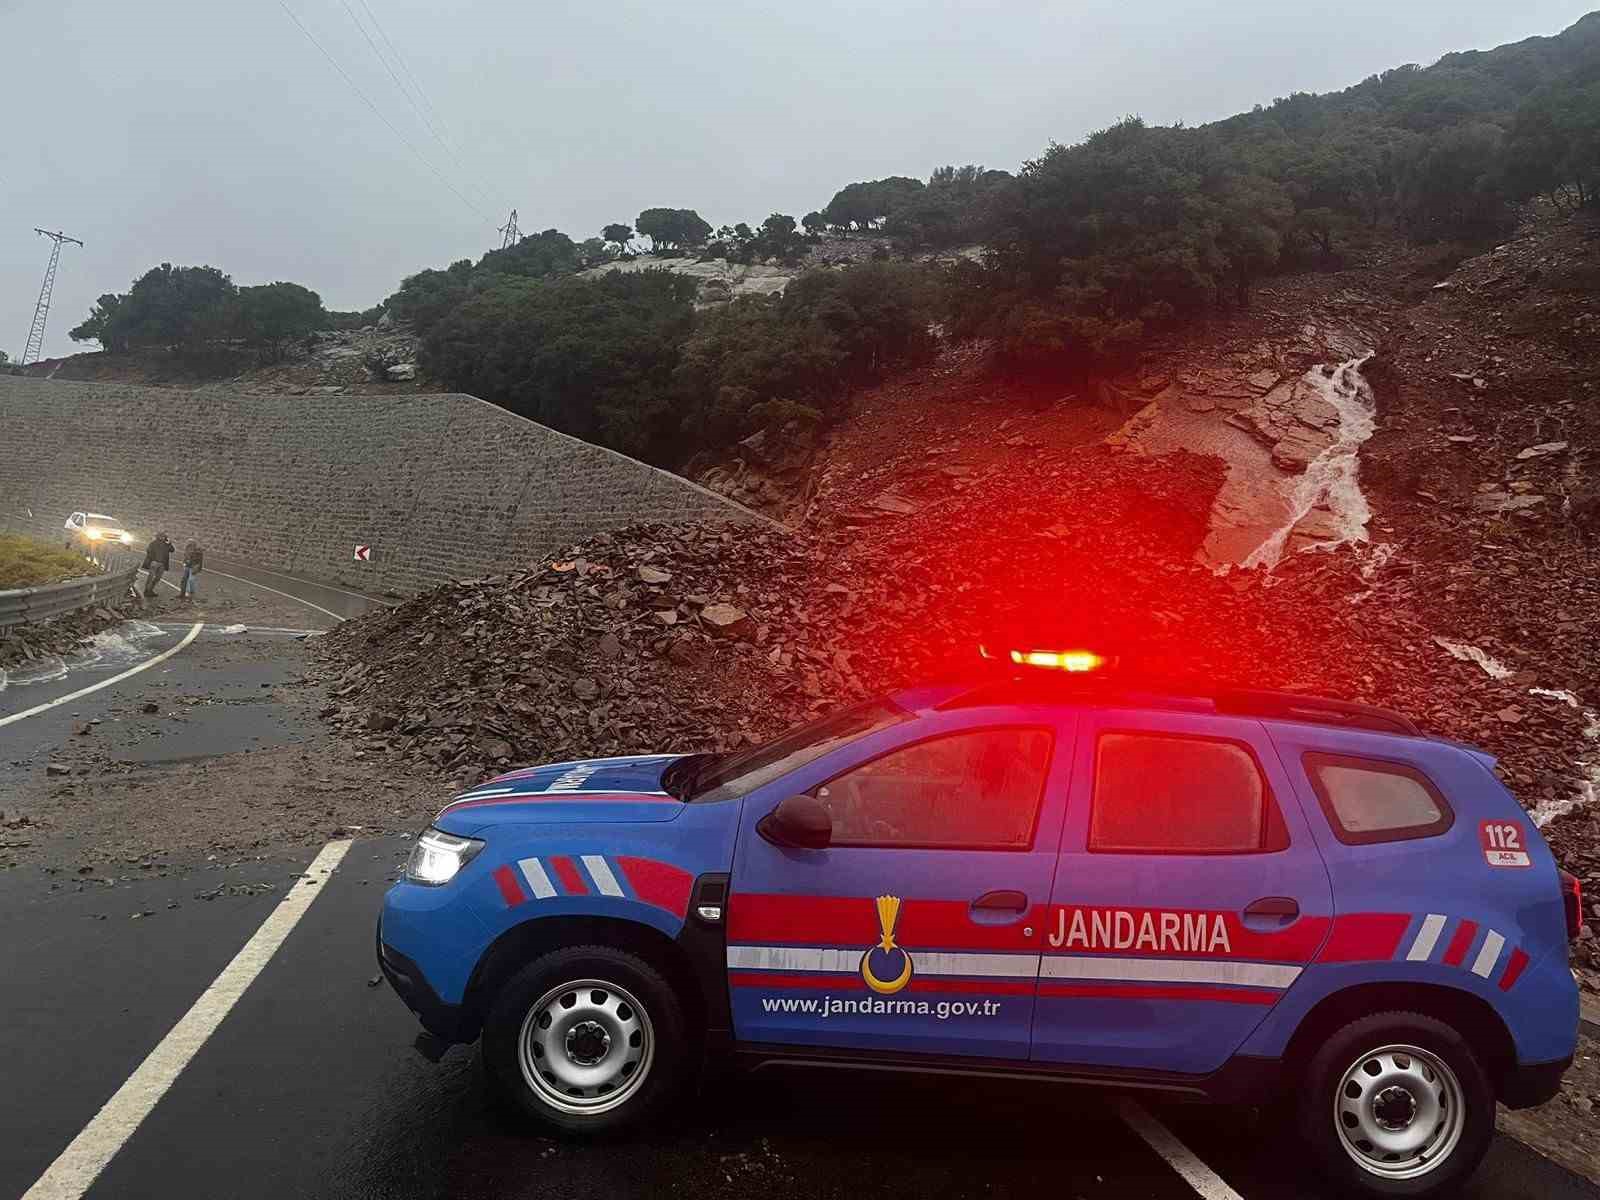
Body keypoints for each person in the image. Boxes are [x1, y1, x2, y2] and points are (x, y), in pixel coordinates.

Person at [142, 532, 174, 597]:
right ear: (158, 537)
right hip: (154, 563)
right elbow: (148, 551)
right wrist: (152, 560)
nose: (162, 537)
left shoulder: (166, 544)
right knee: (150, 578)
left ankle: (150, 590)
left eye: (164, 536)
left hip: (162, 564)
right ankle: (146, 591)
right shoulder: (153, 543)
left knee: (157, 578)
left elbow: (172, 550)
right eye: (161, 536)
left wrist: (170, 543)